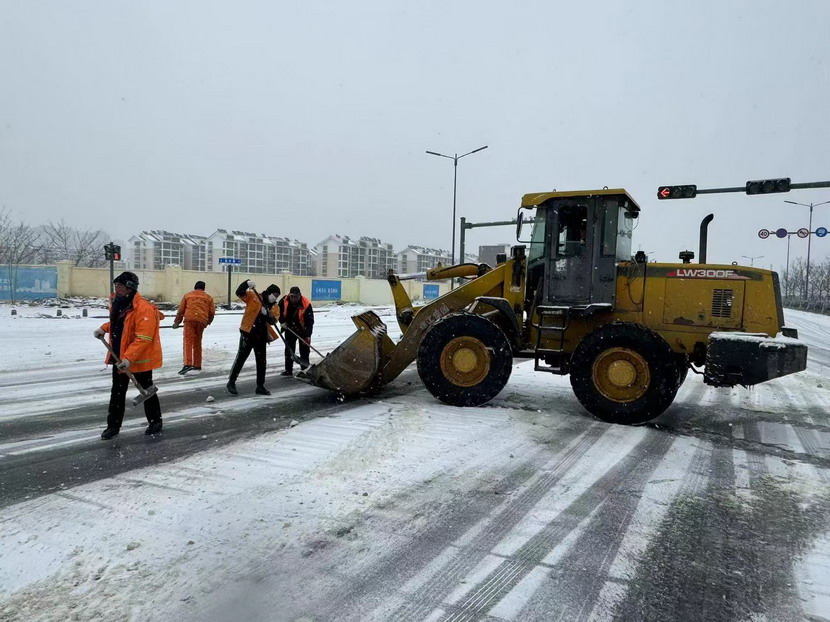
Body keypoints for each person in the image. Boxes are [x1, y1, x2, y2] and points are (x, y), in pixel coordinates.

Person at [93, 271, 164, 440]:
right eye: (116, 286)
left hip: (139, 359)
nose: (116, 289)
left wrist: (129, 358)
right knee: (117, 392)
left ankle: (155, 421)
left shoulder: (144, 308)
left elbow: (143, 338)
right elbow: (119, 322)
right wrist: (104, 328)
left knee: (147, 391)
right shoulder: (119, 303)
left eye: (120, 286)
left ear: (130, 288)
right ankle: (113, 426)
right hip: (119, 357)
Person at [227, 280, 280, 396]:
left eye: (277, 296)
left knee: (261, 362)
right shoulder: (254, 297)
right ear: (269, 292)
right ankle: (231, 382)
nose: (275, 298)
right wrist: (246, 283)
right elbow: (239, 292)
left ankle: (260, 386)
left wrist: (267, 315)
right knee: (241, 358)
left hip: (261, 336)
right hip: (248, 333)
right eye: (274, 295)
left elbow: (274, 321)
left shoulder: (274, 306)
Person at [172, 280, 216, 375]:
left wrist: (176, 322)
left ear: (194, 287)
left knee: (188, 342)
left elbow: (181, 310)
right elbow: (212, 312)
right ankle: (197, 364)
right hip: (201, 321)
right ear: (204, 288)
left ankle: (188, 364)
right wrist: (207, 322)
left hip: (189, 320)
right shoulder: (208, 298)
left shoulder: (188, 295)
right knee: (197, 342)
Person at [278, 286, 314, 376]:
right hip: (289, 328)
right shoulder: (284, 301)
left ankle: (304, 370)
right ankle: (288, 370)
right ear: (289, 295)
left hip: (302, 330)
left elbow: (309, 322)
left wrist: (307, 335)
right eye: (292, 296)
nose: (293, 299)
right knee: (289, 350)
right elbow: (278, 313)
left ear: (300, 295)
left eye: (296, 297)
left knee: (304, 350)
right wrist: (282, 322)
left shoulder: (306, 304)